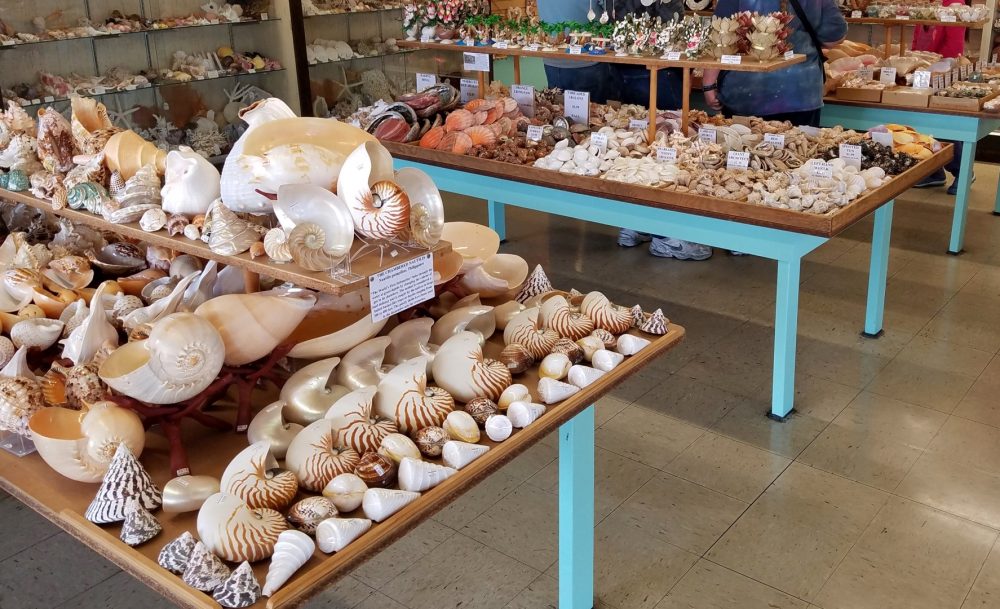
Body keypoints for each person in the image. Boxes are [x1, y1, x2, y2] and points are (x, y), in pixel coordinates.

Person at [610, 0, 715, 261]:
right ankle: (668, 237)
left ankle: (633, 225)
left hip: (626, 69)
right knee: (667, 148)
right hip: (662, 72)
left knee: (643, 148)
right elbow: (672, 29)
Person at [702, 0, 847, 127]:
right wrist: (801, 40)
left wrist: (708, 84)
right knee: (799, 147)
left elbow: (720, 35)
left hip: (745, 92)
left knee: (745, 146)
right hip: (801, 90)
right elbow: (834, 36)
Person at [912, 0, 973, 195]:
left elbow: (954, 44)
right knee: (921, 117)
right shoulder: (926, 4)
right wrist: (915, 61)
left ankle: (963, 170)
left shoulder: (954, 4)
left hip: (943, 68)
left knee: (943, 120)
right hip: (924, 68)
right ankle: (933, 171)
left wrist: (932, 63)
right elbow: (917, 38)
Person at [537, 0, 613, 103]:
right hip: (588, 62)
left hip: (552, 60)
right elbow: (610, 13)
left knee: (558, 108)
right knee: (593, 111)